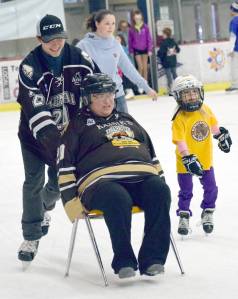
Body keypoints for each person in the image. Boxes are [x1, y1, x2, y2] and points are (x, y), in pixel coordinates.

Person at [57, 73, 171, 279]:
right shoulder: (76, 125)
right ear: (87, 98)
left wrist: (159, 179)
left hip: (141, 176)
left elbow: (152, 156)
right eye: (100, 95)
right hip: (101, 183)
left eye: (110, 94)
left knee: (160, 191)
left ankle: (153, 258)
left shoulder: (128, 120)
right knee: (118, 198)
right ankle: (124, 260)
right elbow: (64, 167)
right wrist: (70, 203)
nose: (108, 100)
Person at [17, 14, 100, 263]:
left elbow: (95, 89)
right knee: (33, 181)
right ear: (40, 39)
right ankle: (31, 236)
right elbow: (34, 107)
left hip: (68, 136)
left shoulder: (79, 59)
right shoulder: (29, 66)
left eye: (60, 38)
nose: (56, 44)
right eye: (50, 40)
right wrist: (58, 144)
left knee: (56, 184)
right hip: (34, 137)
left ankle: (42, 208)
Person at [171, 75, 232, 236]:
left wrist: (220, 136)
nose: (191, 96)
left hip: (205, 158)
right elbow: (179, 140)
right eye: (186, 93)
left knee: (211, 188)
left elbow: (213, 124)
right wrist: (187, 157)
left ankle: (208, 212)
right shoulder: (179, 117)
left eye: (194, 92)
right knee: (186, 190)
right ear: (178, 97)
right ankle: (184, 216)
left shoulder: (205, 109)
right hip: (185, 162)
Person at [76, 9, 157, 113]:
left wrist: (146, 88)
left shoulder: (115, 45)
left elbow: (129, 69)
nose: (111, 27)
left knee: (124, 128)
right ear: (97, 24)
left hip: (117, 96)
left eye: (113, 23)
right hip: (95, 99)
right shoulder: (84, 45)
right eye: (107, 23)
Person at [128, 9, 153, 84]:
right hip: (137, 50)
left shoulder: (145, 27)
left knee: (145, 68)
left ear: (141, 18)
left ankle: (145, 83)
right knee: (140, 67)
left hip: (145, 49)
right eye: (136, 19)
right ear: (133, 19)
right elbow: (130, 40)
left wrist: (150, 50)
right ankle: (139, 83)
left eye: (139, 19)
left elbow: (149, 39)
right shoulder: (131, 29)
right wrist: (131, 51)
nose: (137, 20)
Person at [157, 27, 180, 95]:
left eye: (163, 34)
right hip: (173, 61)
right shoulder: (173, 41)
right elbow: (178, 50)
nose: (162, 35)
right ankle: (178, 88)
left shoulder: (164, 43)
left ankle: (170, 90)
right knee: (174, 75)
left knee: (169, 76)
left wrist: (159, 54)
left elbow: (161, 52)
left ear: (165, 34)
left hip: (166, 62)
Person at [226, 1, 238, 92]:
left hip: (237, 49)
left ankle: (235, 85)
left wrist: (230, 49)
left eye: (231, 9)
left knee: (234, 67)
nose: (230, 11)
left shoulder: (234, 21)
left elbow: (233, 36)